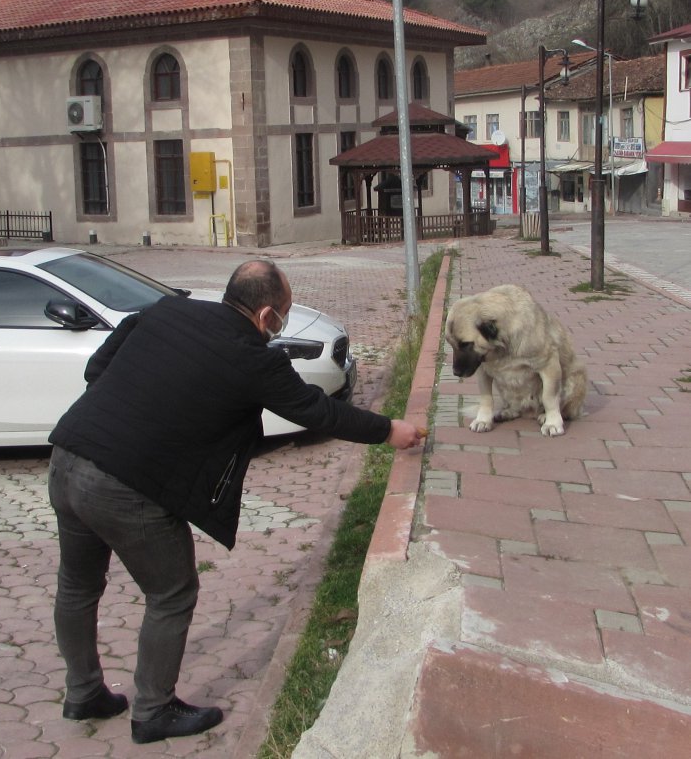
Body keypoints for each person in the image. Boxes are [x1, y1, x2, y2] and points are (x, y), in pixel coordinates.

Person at [48, 258, 424, 744]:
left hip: (67, 457)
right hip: (124, 489)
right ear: (268, 315)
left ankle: (83, 694)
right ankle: (153, 711)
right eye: (283, 314)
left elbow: (96, 369)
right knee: (172, 592)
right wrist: (389, 429)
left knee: (77, 586)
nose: (281, 324)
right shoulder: (252, 357)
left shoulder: (166, 310)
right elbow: (316, 410)